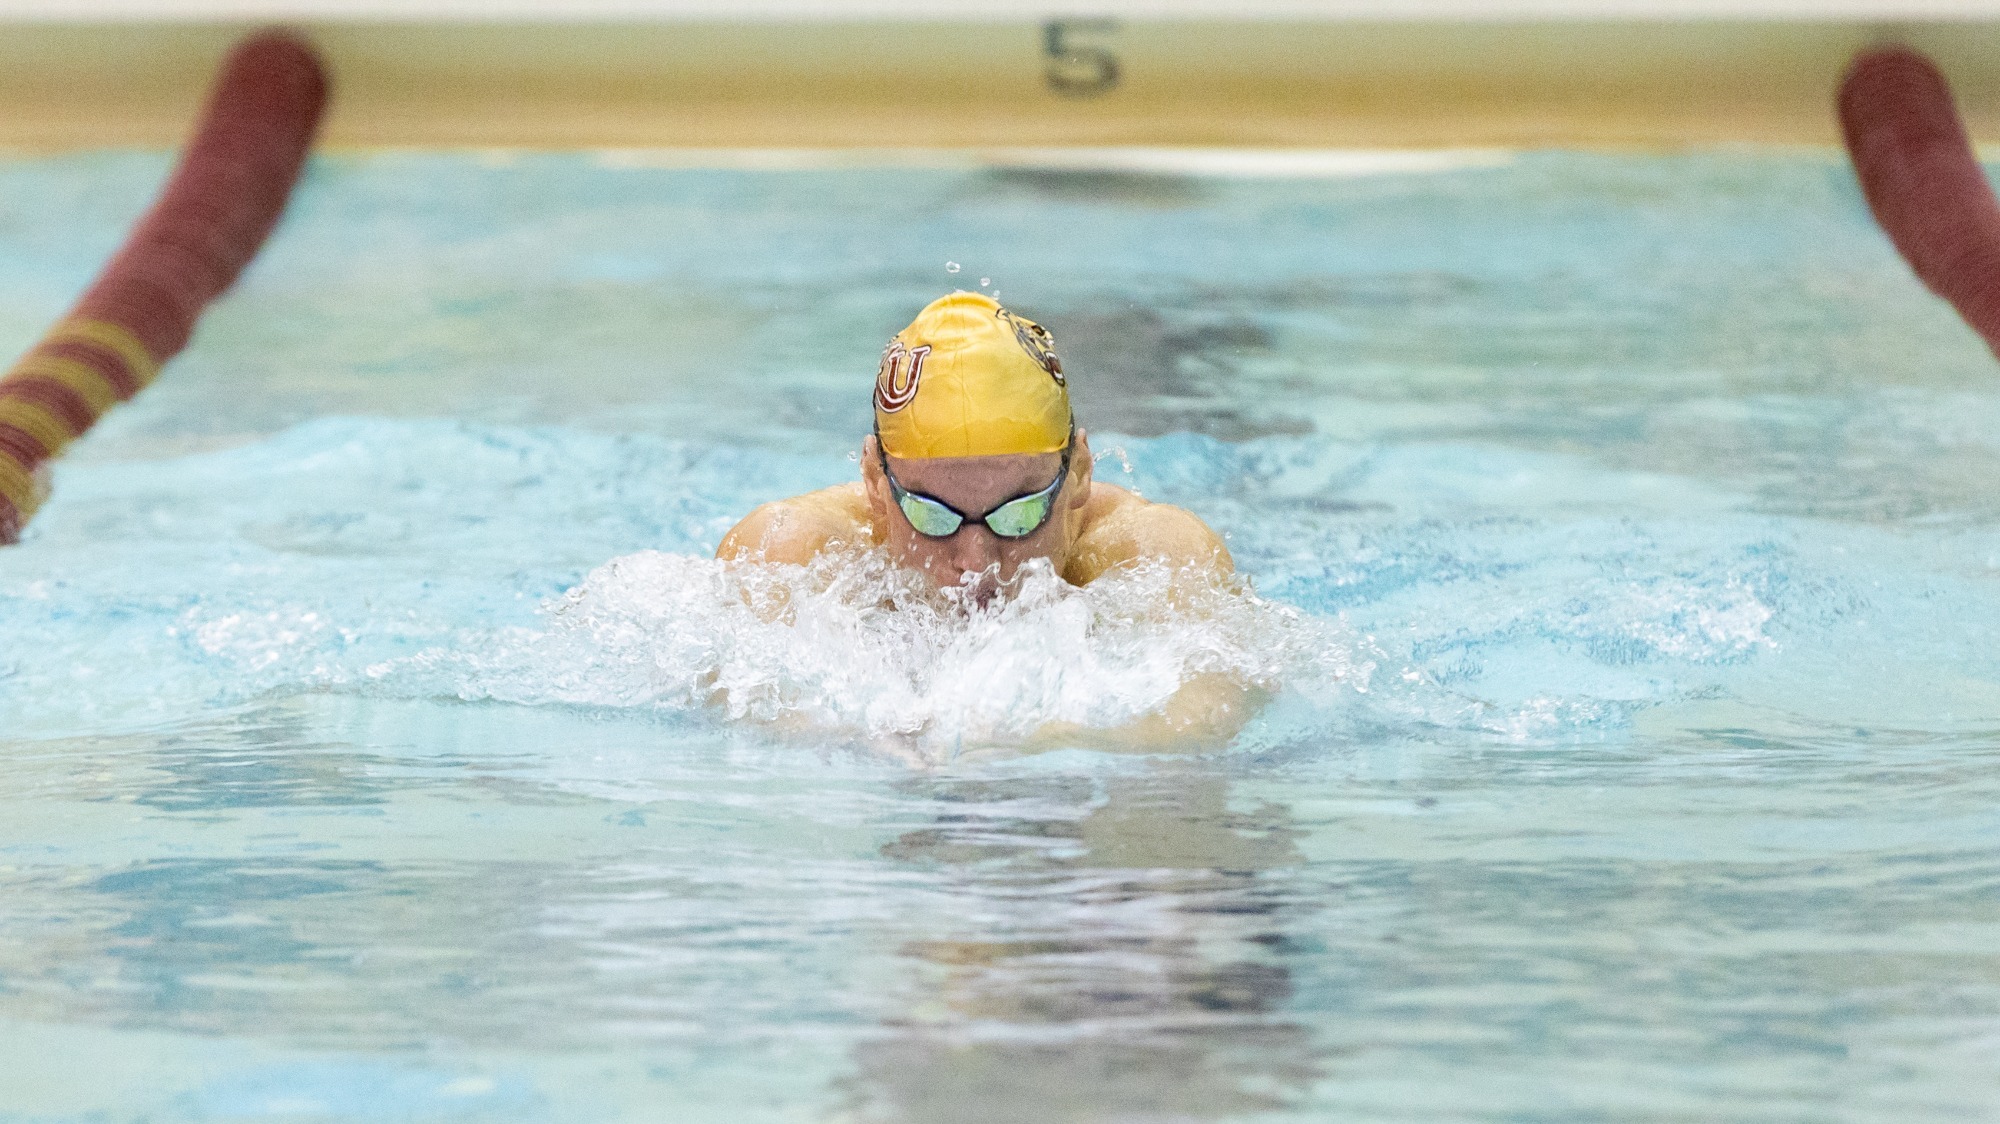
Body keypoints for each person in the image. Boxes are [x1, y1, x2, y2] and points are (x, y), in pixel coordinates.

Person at [716, 290, 1249, 743]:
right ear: (878, 483)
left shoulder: (1156, 554)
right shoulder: (788, 549)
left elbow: (1201, 720)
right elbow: (748, 710)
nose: (977, 562)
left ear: (1081, 474)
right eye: (933, 516)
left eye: (1019, 515)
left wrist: (1010, 748)